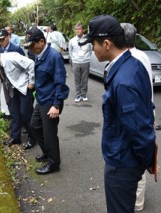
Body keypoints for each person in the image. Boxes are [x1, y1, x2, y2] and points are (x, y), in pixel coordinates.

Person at [79, 14, 155, 213]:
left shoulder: (123, 81)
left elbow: (138, 129)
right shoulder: (133, 64)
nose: (91, 49)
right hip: (125, 157)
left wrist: (147, 160)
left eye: (93, 44)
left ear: (106, 43)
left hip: (123, 163)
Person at [25, 28, 69, 175]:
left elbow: (60, 82)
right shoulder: (39, 54)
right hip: (42, 99)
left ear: (42, 41)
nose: (31, 49)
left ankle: (53, 163)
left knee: (49, 134)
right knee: (34, 126)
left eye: (33, 45)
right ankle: (47, 152)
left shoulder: (54, 57)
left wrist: (56, 105)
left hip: (51, 101)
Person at [121, 22, 153, 212]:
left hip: (137, 113)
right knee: (139, 156)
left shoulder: (130, 58)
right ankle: (136, 201)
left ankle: (136, 204)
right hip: (147, 109)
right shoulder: (143, 55)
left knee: (135, 157)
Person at [0, 48, 36, 150]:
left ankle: (33, 138)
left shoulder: (11, 58)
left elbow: (31, 63)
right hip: (14, 89)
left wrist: (31, 82)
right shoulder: (0, 64)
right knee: (14, 113)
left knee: (26, 114)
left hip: (24, 87)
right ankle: (15, 137)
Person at [68, 23, 92, 102]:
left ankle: (84, 95)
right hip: (76, 62)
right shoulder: (72, 41)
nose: (78, 31)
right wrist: (74, 59)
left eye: (79, 29)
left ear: (83, 30)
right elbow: (70, 52)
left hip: (85, 61)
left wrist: (87, 58)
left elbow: (90, 50)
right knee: (77, 80)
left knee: (84, 79)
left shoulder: (87, 39)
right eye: (76, 29)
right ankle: (78, 95)